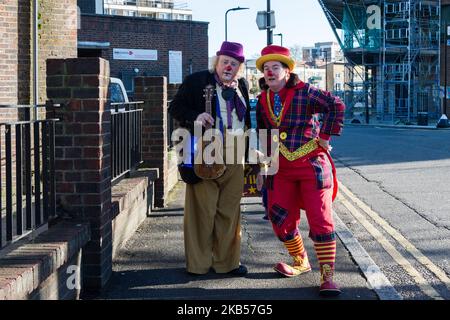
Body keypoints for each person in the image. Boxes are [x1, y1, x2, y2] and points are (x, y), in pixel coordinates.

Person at [254, 45, 345, 296]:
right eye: (266, 68)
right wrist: (264, 167)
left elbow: (336, 105)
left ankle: (327, 277)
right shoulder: (263, 99)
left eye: (275, 67)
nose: (270, 72)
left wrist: (325, 136)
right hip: (279, 167)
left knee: (320, 219)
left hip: (312, 165)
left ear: (286, 71)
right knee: (279, 217)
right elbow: (265, 134)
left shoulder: (305, 92)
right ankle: (301, 261)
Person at [168, 41, 252, 276]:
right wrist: (196, 115)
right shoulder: (197, 81)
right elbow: (175, 108)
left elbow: (246, 121)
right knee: (202, 211)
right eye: (225, 61)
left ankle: (227, 263)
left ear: (239, 68)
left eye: (234, 64)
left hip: (236, 150)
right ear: (217, 61)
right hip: (207, 148)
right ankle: (198, 264)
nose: (229, 66)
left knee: (230, 209)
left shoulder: (242, 85)